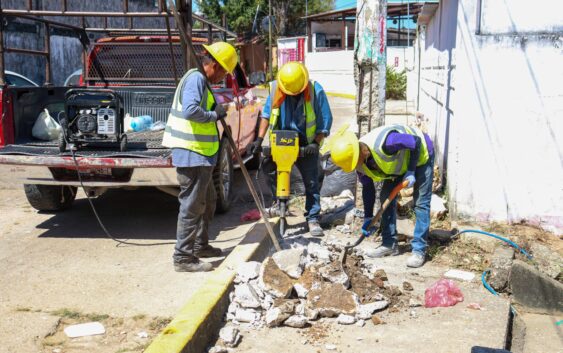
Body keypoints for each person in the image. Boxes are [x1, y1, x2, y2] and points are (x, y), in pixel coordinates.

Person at [162, 42, 238, 272]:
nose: (223, 77)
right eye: (224, 71)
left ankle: (200, 245)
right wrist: (216, 114)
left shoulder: (202, 81)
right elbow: (191, 111)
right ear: (213, 65)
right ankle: (183, 258)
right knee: (192, 206)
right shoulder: (196, 79)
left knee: (209, 201)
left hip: (201, 155)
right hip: (191, 153)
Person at [330, 124, 435, 268]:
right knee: (385, 197)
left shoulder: (387, 143)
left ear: (360, 152)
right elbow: (368, 188)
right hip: (399, 165)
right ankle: (389, 244)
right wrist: (368, 217)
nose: (355, 167)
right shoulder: (359, 164)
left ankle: (419, 250)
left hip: (422, 154)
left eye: (354, 162)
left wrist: (411, 171)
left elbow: (415, 141)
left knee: (421, 203)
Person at [249, 62, 333, 237]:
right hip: (281, 140)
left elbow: (325, 121)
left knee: (311, 180)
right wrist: (258, 139)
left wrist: (315, 144)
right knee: (270, 169)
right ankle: (280, 205)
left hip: (305, 143)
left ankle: (312, 217)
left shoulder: (316, 91)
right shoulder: (275, 88)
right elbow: (266, 115)